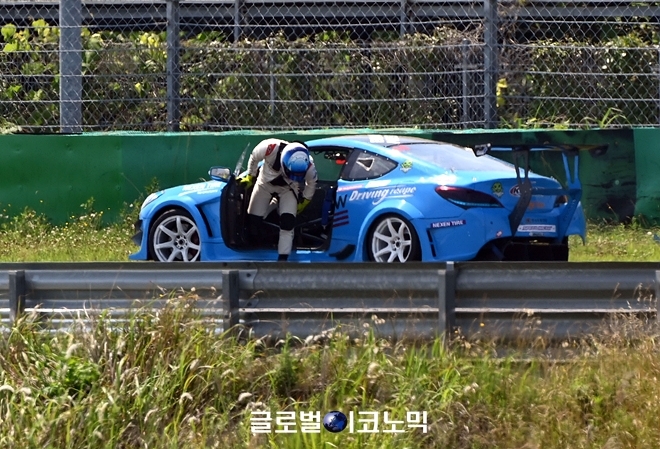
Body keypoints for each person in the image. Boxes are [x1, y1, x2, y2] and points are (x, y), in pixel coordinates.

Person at [237, 139, 318, 261]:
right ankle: (255, 249)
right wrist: (250, 175)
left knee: (288, 222)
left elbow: (311, 183)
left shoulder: (309, 166)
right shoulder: (269, 147)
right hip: (264, 184)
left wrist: (305, 200)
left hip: (288, 189)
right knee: (253, 220)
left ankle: (283, 258)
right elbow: (254, 157)